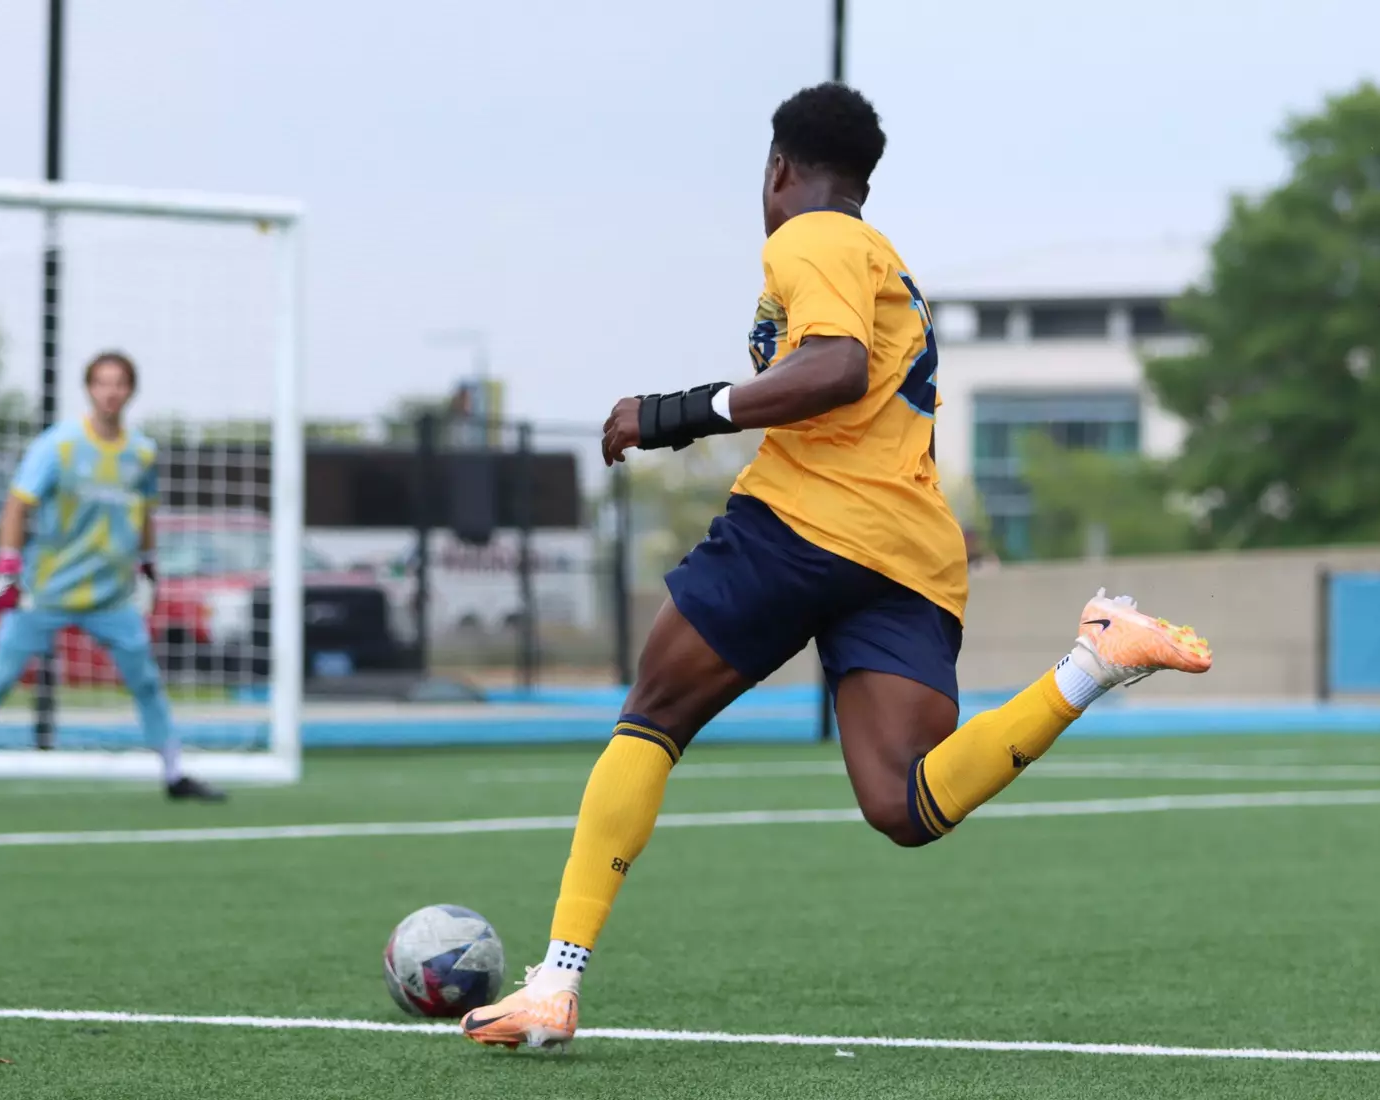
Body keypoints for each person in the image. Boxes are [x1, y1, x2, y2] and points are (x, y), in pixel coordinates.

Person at [462, 83, 1212, 1050]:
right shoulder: (882, 257)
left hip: (805, 521)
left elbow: (835, 368)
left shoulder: (806, 238)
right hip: (911, 556)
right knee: (904, 802)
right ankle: (1093, 662)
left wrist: (673, 412)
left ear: (778, 169)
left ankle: (555, 984)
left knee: (652, 717)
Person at [0, 351, 224, 803]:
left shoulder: (142, 452)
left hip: (110, 596)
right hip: (46, 591)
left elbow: (145, 512)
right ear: (89, 389)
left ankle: (174, 775)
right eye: (102, 383)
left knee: (145, 680)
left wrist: (148, 566)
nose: (111, 392)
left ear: (131, 391)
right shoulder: (59, 445)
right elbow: (18, 504)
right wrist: (7, 569)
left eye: (120, 383)